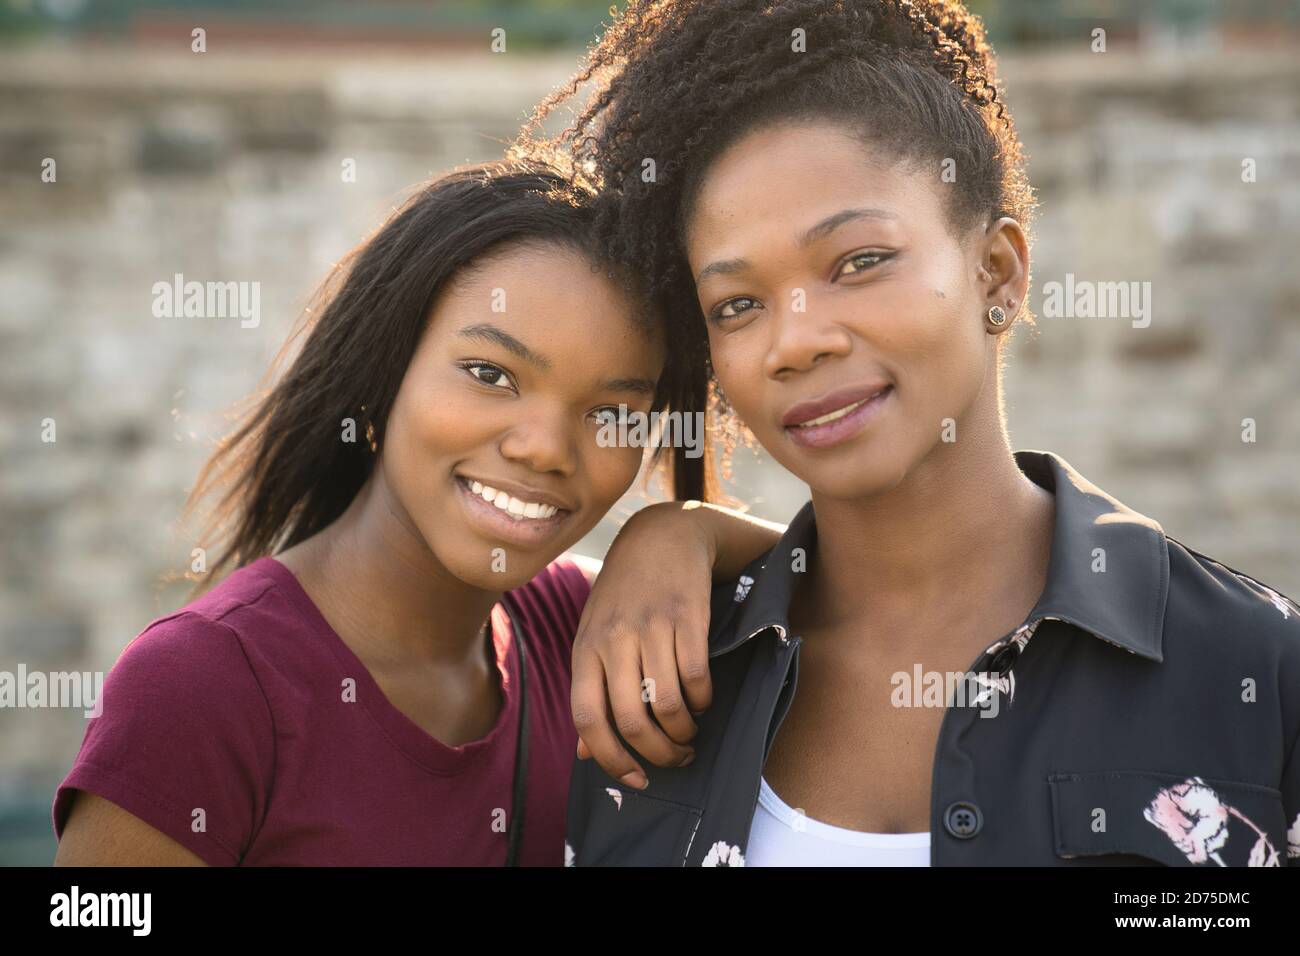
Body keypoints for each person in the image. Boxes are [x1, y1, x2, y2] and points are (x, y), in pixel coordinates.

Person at [523, 0, 1300, 866]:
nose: (796, 339)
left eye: (859, 261)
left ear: (996, 271)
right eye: (738, 305)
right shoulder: (652, 693)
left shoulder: (1256, 673)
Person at [51, 158, 782, 866]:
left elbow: (864, 582)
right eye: (491, 374)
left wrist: (680, 529)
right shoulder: (201, 686)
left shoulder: (584, 629)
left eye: (613, 413)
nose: (544, 448)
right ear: (384, 370)